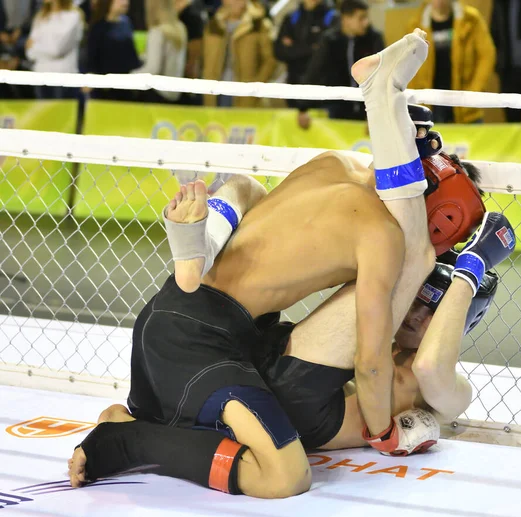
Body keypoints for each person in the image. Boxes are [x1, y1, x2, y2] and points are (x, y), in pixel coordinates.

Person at [68, 30, 488, 497]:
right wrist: (382, 433)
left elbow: (261, 206)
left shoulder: (333, 164)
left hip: (183, 315)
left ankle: (200, 246)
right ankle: (124, 441)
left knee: (246, 189)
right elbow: (370, 364)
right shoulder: (385, 237)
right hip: (202, 344)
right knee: (287, 475)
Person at [405, 0, 496, 124]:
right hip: (430, 102)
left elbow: (487, 55)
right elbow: (408, 62)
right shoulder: (415, 25)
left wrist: (474, 91)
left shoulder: (471, 19)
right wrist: (415, 98)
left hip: (465, 101)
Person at [297, 0, 383, 129]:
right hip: (336, 112)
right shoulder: (330, 40)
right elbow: (314, 72)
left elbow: (382, 76)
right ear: (346, 19)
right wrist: (303, 108)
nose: (366, 23)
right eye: (361, 18)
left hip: (367, 112)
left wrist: (377, 114)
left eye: (366, 17)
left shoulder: (374, 39)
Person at [202, 0, 276, 108]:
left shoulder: (260, 25)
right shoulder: (213, 25)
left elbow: (270, 61)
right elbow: (204, 59)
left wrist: (256, 88)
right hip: (215, 93)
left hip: (246, 95)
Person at [274, 0, 337, 109]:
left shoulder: (332, 17)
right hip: (293, 87)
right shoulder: (291, 18)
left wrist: (294, 47)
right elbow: (279, 51)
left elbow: (327, 55)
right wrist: (311, 48)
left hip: (322, 92)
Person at [25, 0, 84, 99]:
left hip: (62, 77)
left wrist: (36, 46)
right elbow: (29, 52)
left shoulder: (73, 16)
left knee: (61, 113)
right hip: (40, 75)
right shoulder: (40, 16)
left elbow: (57, 50)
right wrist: (40, 47)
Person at [131, 0, 187, 103]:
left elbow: (153, 68)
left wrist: (129, 77)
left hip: (158, 95)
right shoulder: (180, 28)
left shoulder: (157, 32)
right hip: (175, 94)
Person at [86, 0, 141, 102]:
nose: (125, 2)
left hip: (126, 86)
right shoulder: (98, 27)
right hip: (104, 89)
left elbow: (131, 54)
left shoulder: (126, 23)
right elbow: (92, 58)